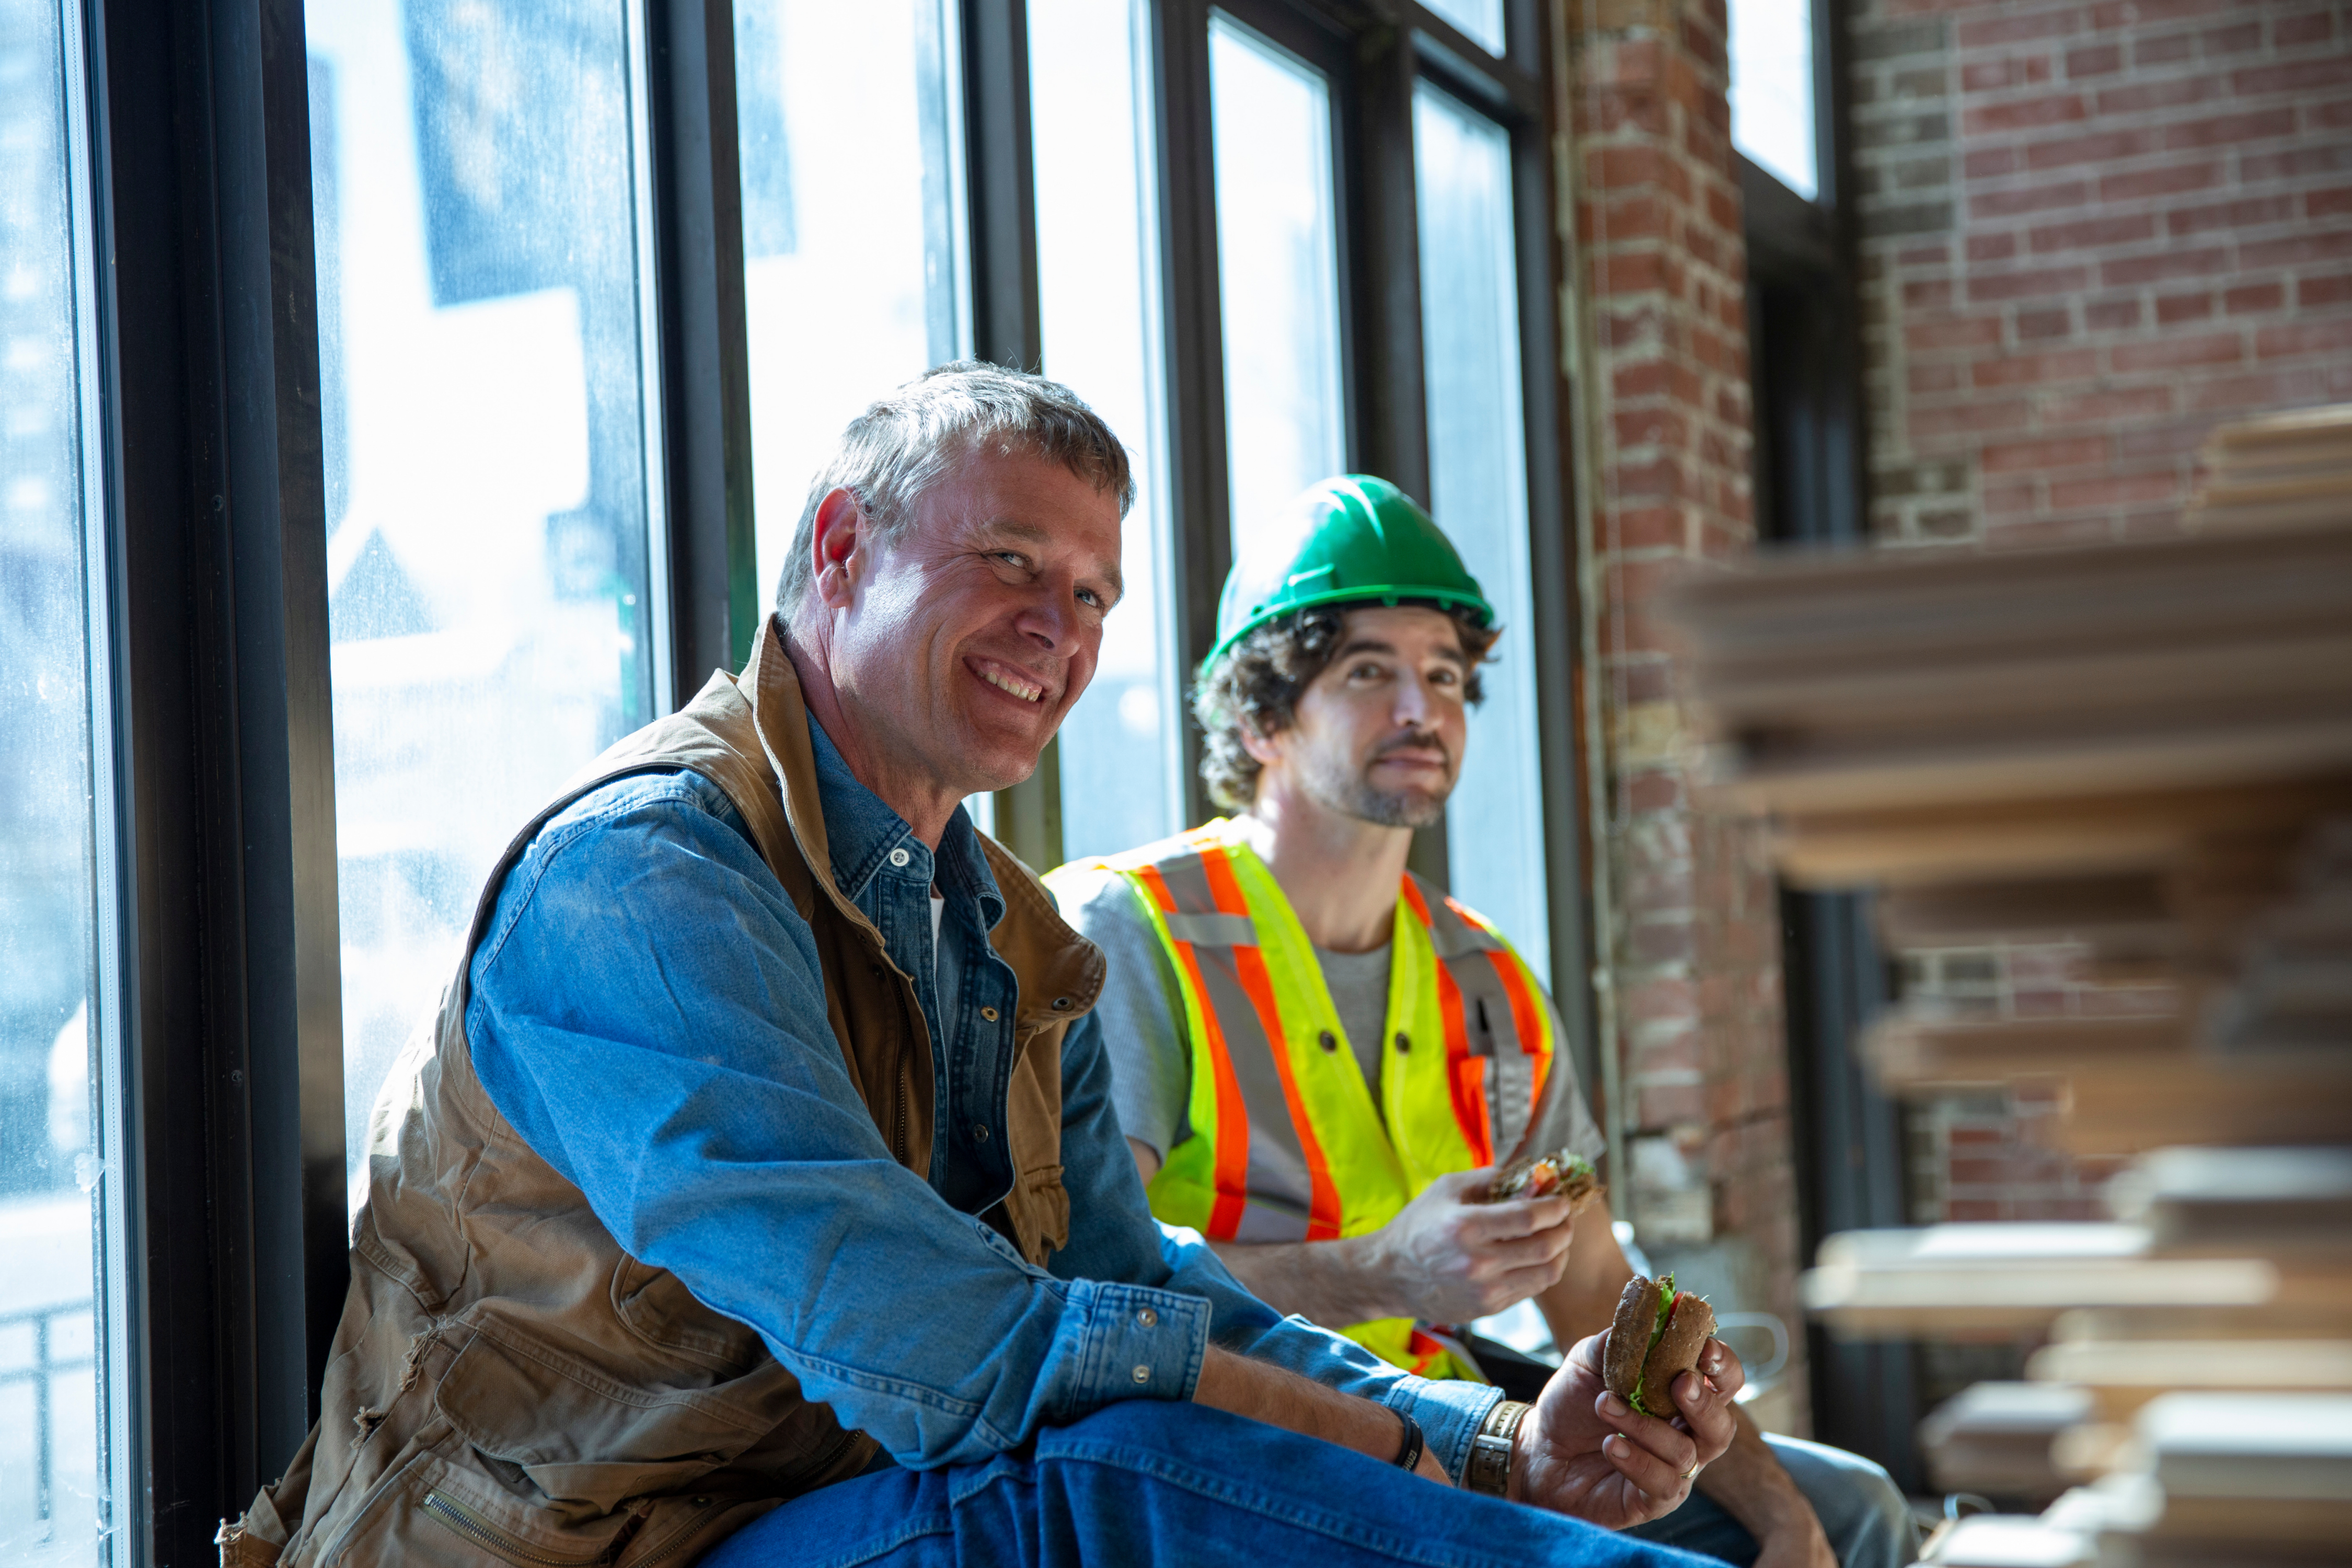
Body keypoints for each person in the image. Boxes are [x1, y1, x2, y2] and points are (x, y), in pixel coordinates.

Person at [218, 367, 1746, 1568]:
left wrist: (1489, 1446)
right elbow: (952, 1353)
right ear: (837, 548)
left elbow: (1137, 1286)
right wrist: (1411, 1461)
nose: (1057, 628)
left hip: (823, 1516)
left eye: (1091, 594)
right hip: (580, 1547)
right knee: (1094, 1487)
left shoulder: (1016, 941)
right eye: (1007, 560)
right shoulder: (640, 881)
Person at [1045, 476, 1918, 1568]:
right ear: (1265, 715)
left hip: (1466, 1436)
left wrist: (1783, 1521)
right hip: (1238, 1452)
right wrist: (1380, 1271)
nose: (1424, 709)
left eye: (1446, 675)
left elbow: (1591, 1285)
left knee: (1860, 1511)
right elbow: (1088, 1291)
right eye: (1370, 672)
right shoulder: (1129, 932)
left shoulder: (1487, 977)